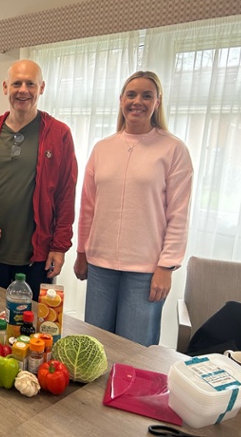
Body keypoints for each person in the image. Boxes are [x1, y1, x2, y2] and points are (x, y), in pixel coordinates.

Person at [74, 70, 193, 347]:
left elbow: (179, 214)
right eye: (131, 94)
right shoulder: (102, 148)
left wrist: (167, 266)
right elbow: (88, 207)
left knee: (134, 349)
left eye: (146, 95)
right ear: (121, 100)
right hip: (100, 264)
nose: (137, 101)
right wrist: (82, 252)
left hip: (146, 270)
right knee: (95, 347)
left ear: (157, 102)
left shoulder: (173, 149)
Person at [0, 59, 78, 301]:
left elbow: (66, 193)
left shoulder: (59, 134)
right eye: (16, 83)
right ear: (5, 87)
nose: (23, 90)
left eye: (30, 84)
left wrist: (59, 246)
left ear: (42, 88)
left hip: (37, 257)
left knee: (30, 329)